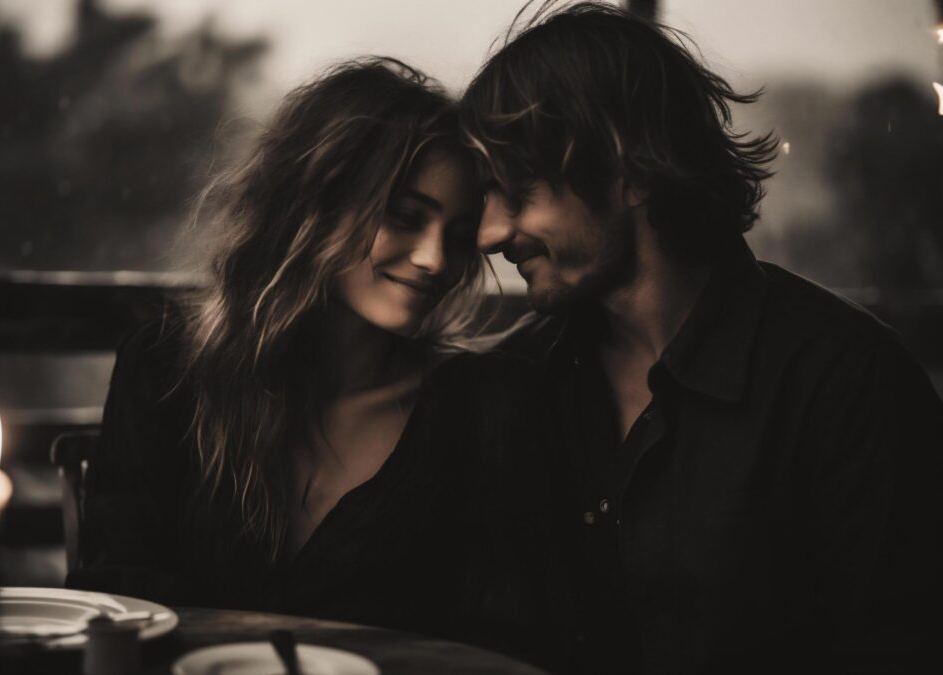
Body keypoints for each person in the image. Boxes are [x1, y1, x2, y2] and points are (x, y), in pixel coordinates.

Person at [459, 3, 943, 674]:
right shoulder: (517, 377)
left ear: (626, 169)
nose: (488, 233)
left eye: (517, 190)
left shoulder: (850, 387)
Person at [67, 57, 567, 667]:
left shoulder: (484, 409)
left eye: (458, 234)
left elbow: (503, 647)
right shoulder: (168, 373)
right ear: (317, 203)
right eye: (404, 217)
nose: (436, 259)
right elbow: (120, 600)